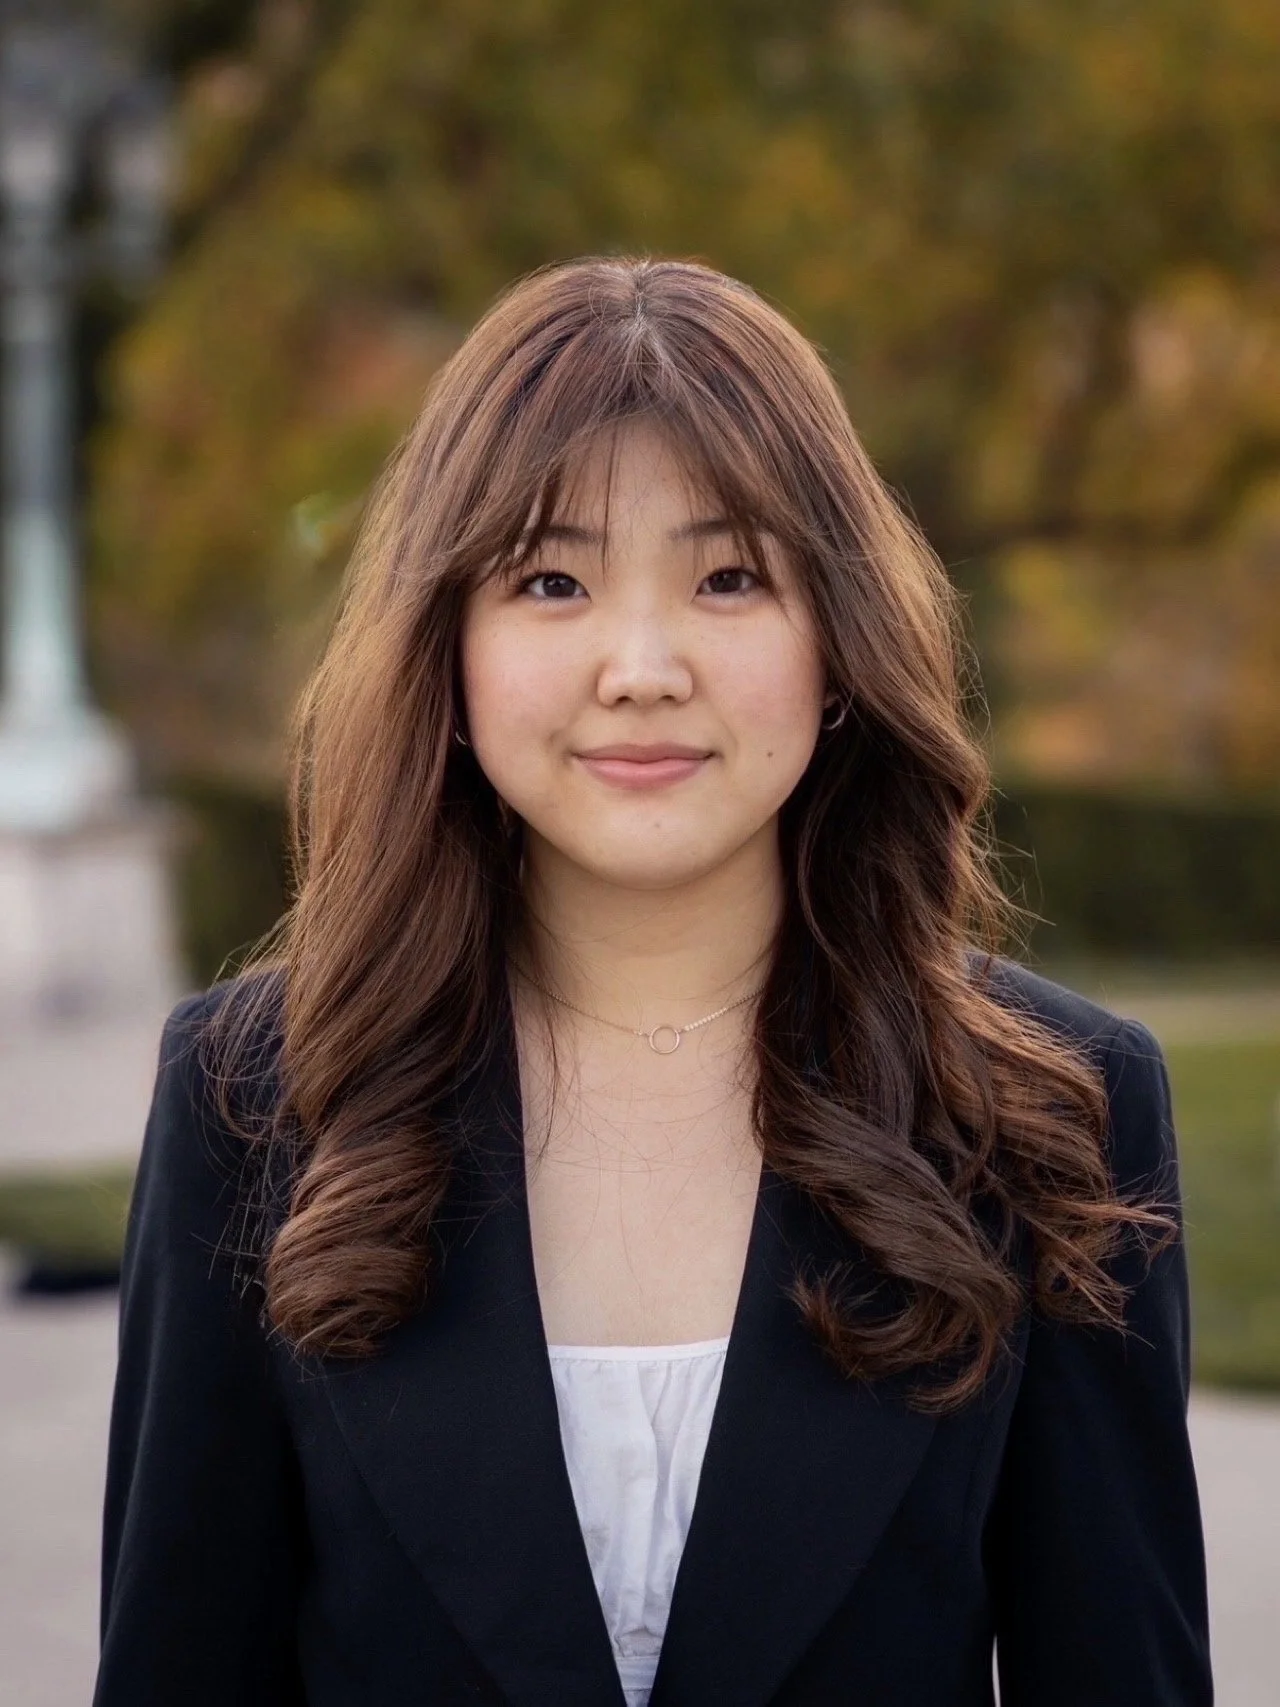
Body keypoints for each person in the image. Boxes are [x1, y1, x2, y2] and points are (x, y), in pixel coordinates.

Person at [92, 255, 1212, 1707]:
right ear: (450, 647)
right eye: (551, 580)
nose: (641, 666)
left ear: (839, 641)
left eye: (729, 577)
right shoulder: (252, 1103)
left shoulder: (1057, 1113)